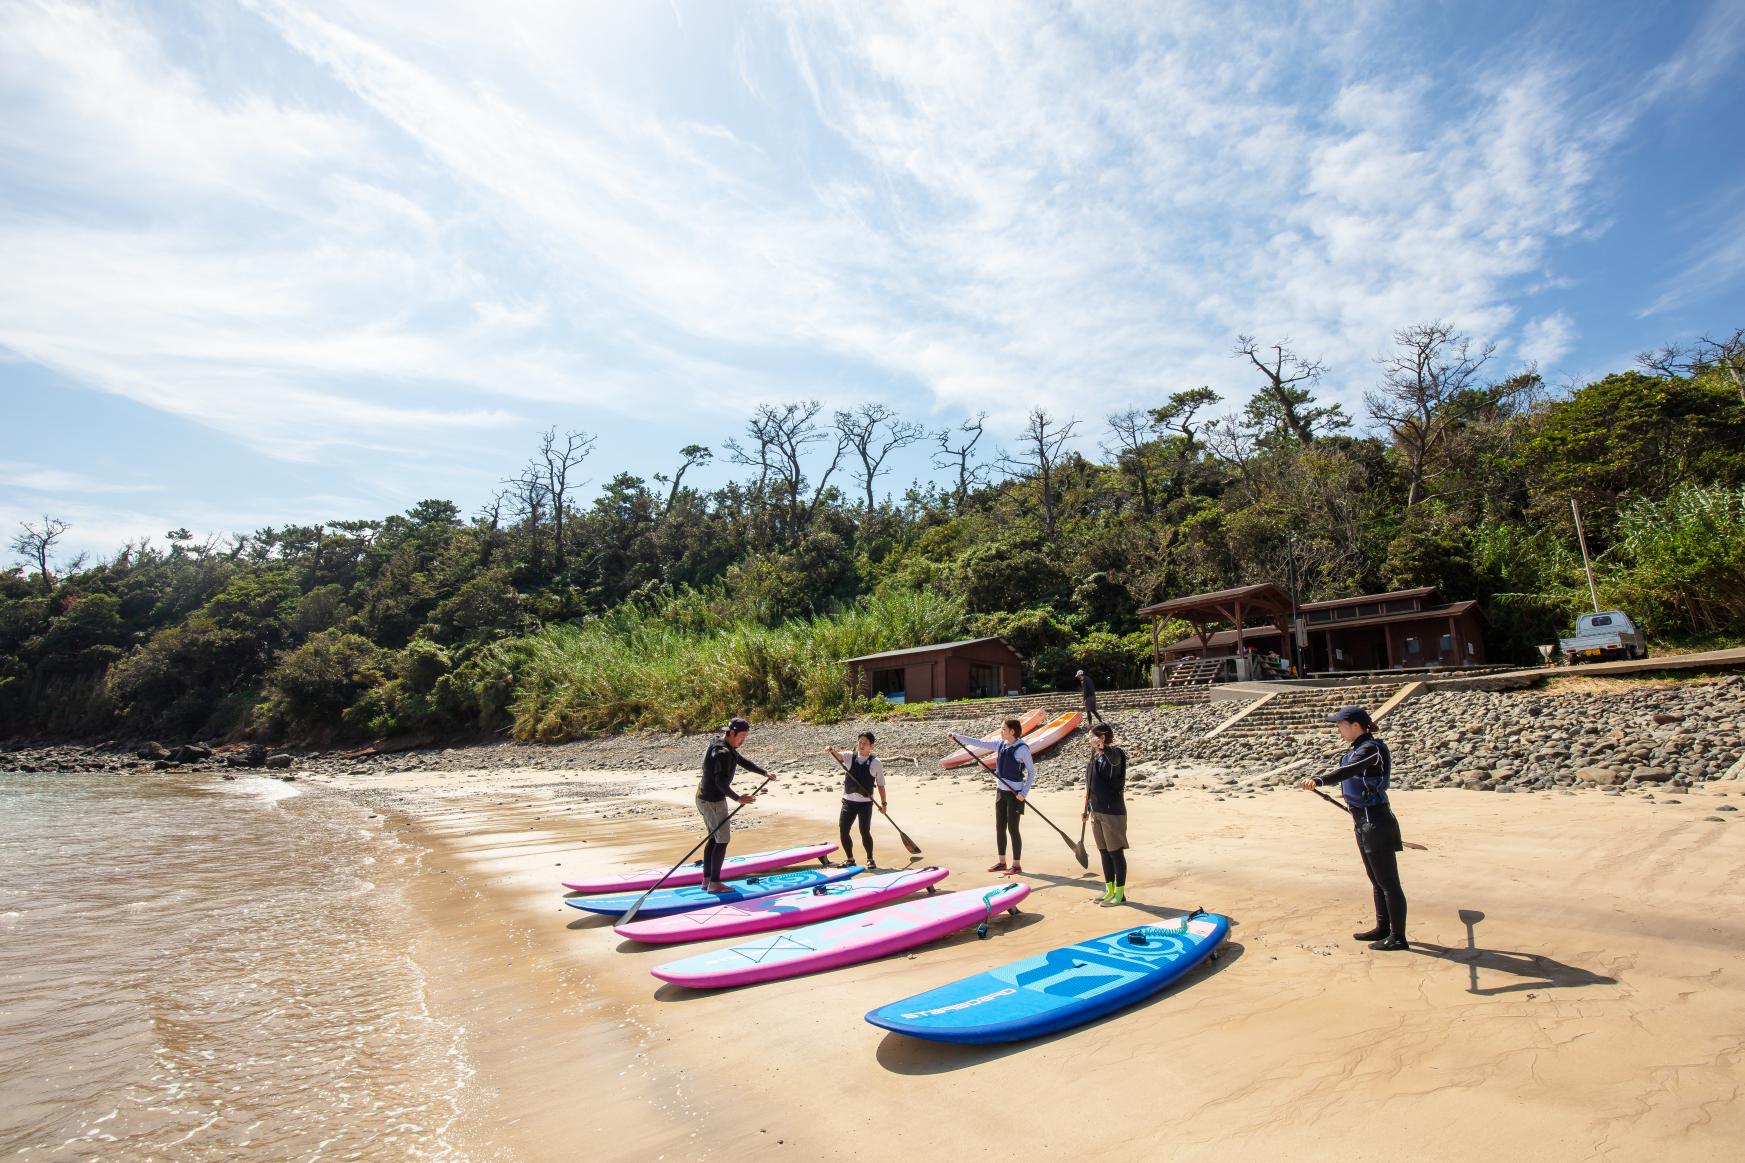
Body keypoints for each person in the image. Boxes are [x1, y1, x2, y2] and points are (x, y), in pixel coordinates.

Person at [1299, 706, 1408, 951]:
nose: (1338, 729)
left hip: (1376, 822)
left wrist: (1319, 780)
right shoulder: (1357, 749)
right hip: (1362, 821)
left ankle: (1399, 937)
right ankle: (1383, 928)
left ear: (1356, 725)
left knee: (1389, 882)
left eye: (1340, 725)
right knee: (1376, 880)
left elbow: (1348, 771)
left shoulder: (1372, 749)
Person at [696, 716, 775, 893]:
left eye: (745, 737)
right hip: (712, 801)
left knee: (714, 838)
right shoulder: (722, 753)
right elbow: (720, 783)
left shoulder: (724, 744)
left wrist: (763, 772)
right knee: (722, 840)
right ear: (731, 733)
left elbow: (741, 761)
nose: (743, 740)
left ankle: (707, 880)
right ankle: (715, 884)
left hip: (704, 797)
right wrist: (739, 798)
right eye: (742, 736)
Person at [949, 718, 1035, 875]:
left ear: (1012, 732)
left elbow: (1031, 772)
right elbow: (980, 743)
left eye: (1003, 729)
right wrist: (958, 736)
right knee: (999, 827)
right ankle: (1002, 862)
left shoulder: (1022, 749)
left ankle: (1016, 865)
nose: (1001, 731)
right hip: (1001, 792)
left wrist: (1024, 793)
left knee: (1013, 829)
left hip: (1015, 795)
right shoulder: (1000, 744)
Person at [1081, 722, 1129, 905]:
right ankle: (1109, 889)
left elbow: (1114, 759)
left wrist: (1103, 747)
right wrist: (1086, 809)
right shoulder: (1094, 758)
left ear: (1101, 738)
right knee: (1103, 852)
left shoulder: (1116, 754)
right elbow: (1090, 786)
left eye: (1092, 737)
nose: (1089, 741)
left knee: (1115, 852)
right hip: (1096, 810)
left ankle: (1120, 893)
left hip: (1112, 811)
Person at [826, 731, 887, 869]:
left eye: (865, 742)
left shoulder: (876, 763)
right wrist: (831, 749)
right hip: (848, 802)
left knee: (864, 831)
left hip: (865, 804)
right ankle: (850, 859)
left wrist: (883, 804)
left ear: (871, 745)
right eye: (860, 742)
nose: (861, 744)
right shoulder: (849, 756)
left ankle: (870, 858)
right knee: (843, 830)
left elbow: (881, 785)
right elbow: (839, 756)